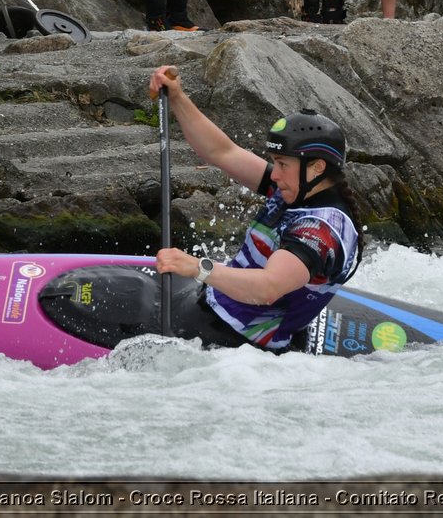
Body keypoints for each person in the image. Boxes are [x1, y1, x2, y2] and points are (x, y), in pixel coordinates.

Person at [150, 65, 364, 351]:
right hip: (212, 305)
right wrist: (177, 97)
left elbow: (267, 288)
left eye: (283, 164)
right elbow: (221, 152)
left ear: (317, 168)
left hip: (235, 340)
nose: (273, 174)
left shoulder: (321, 231)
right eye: (275, 162)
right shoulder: (296, 188)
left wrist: (196, 266)